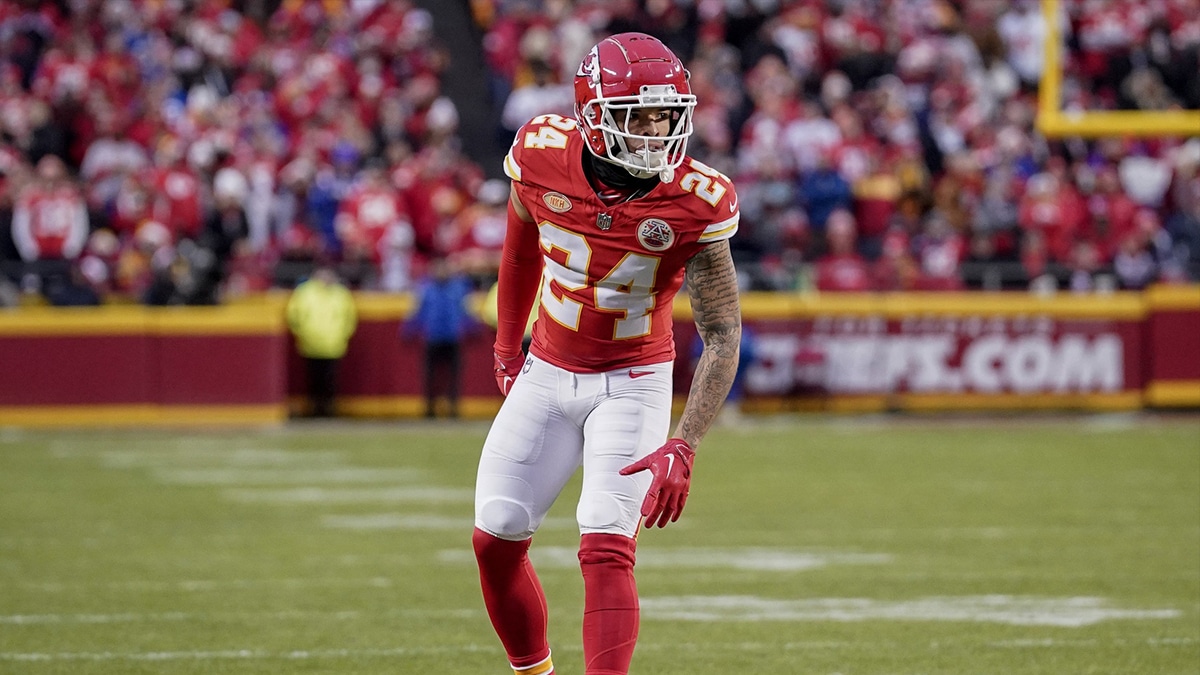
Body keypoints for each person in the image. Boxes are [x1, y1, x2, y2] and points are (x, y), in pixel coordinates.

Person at [472, 33, 742, 675]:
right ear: (592, 113)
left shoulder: (694, 198)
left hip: (633, 381)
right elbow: (518, 251)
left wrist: (686, 441)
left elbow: (722, 330)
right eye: (638, 116)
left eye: (665, 115)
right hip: (547, 368)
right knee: (496, 533)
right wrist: (508, 345)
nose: (655, 131)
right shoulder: (541, 155)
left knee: (605, 541)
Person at [403, 257, 475, 418]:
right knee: (430, 376)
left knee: (454, 376)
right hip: (433, 337)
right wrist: (408, 330)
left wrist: (472, 328)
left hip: (452, 337)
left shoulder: (458, 287)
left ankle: (453, 408)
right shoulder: (425, 288)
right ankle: (429, 408)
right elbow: (417, 311)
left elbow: (466, 310)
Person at [285, 263, 358, 418]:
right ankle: (315, 408)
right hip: (310, 344)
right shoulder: (304, 292)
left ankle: (328, 408)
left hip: (334, 345)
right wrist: (303, 334)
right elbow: (294, 316)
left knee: (330, 379)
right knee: (314, 378)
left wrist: (342, 335)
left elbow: (350, 317)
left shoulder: (340, 293)